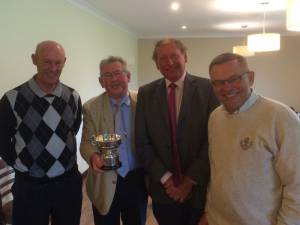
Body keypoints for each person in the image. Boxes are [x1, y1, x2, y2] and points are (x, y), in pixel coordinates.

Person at [198, 53, 300, 225]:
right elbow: (217, 172)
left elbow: (296, 184)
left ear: (251, 78)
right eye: (218, 82)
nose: (227, 87)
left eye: (234, 79)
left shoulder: (281, 117)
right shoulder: (215, 118)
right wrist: (209, 211)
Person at [135, 38, 219, 225]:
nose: (169, 62)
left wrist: (189, 181)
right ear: (157, 64)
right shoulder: (146, 93)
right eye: (162, 58)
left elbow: (214, 140)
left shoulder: (208, 89)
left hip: (199, 189)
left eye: (174, 56)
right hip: (163, 191)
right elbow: (142, 141)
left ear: (185, 57)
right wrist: (167, 180)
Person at [0, 40, 82, 225]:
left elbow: (72, 129)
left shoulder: (73, 97)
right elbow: (3, 140)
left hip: (68, 183)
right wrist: (26, 165)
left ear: (64, 62)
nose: (53, 68)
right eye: (47, 62)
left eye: (58, 62)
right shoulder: (12, 98)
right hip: (30, 187)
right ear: (34, 59)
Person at [80, 56, 148, 225]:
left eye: (118, 73)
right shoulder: (91, 107)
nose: (114, 79)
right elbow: (87, 142)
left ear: (128, 76)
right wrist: (93, 157)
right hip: (104, 179)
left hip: (137, 179)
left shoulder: (144, 102)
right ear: (101, 81)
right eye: (108, 75)